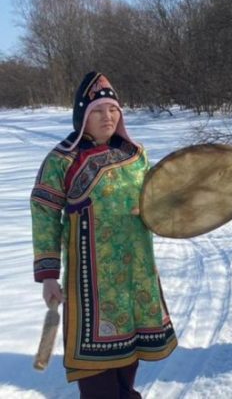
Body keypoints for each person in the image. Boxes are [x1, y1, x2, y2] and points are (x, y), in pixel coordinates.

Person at [31, 72, 177, 398]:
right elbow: (44, 213)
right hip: (91, 283)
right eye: (97, 110)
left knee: (130, 351)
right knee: (96, 369)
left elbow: (156, 200)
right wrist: (49, 275)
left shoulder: (135, 155)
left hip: (135, 272)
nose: (107, 117)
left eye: (112, 109)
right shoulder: (62, 160)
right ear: (82, 115)